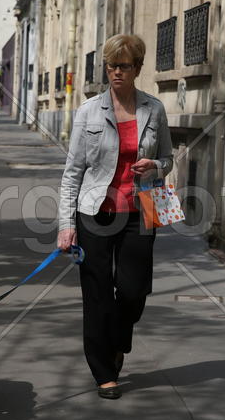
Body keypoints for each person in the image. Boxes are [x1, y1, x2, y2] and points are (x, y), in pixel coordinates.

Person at [57, 34, 172, 400]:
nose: (116, 72)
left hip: (141, 210)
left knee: (135, 291)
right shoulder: (89, 111)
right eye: (111, 66)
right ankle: (104, 371)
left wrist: (154, 165)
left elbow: (168, 159)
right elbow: (73, 172)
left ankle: (118, 341)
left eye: (124, 66)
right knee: (97, 294)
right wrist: (66, 225)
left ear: (138, 68)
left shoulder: (154, 109)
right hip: (95, 213)